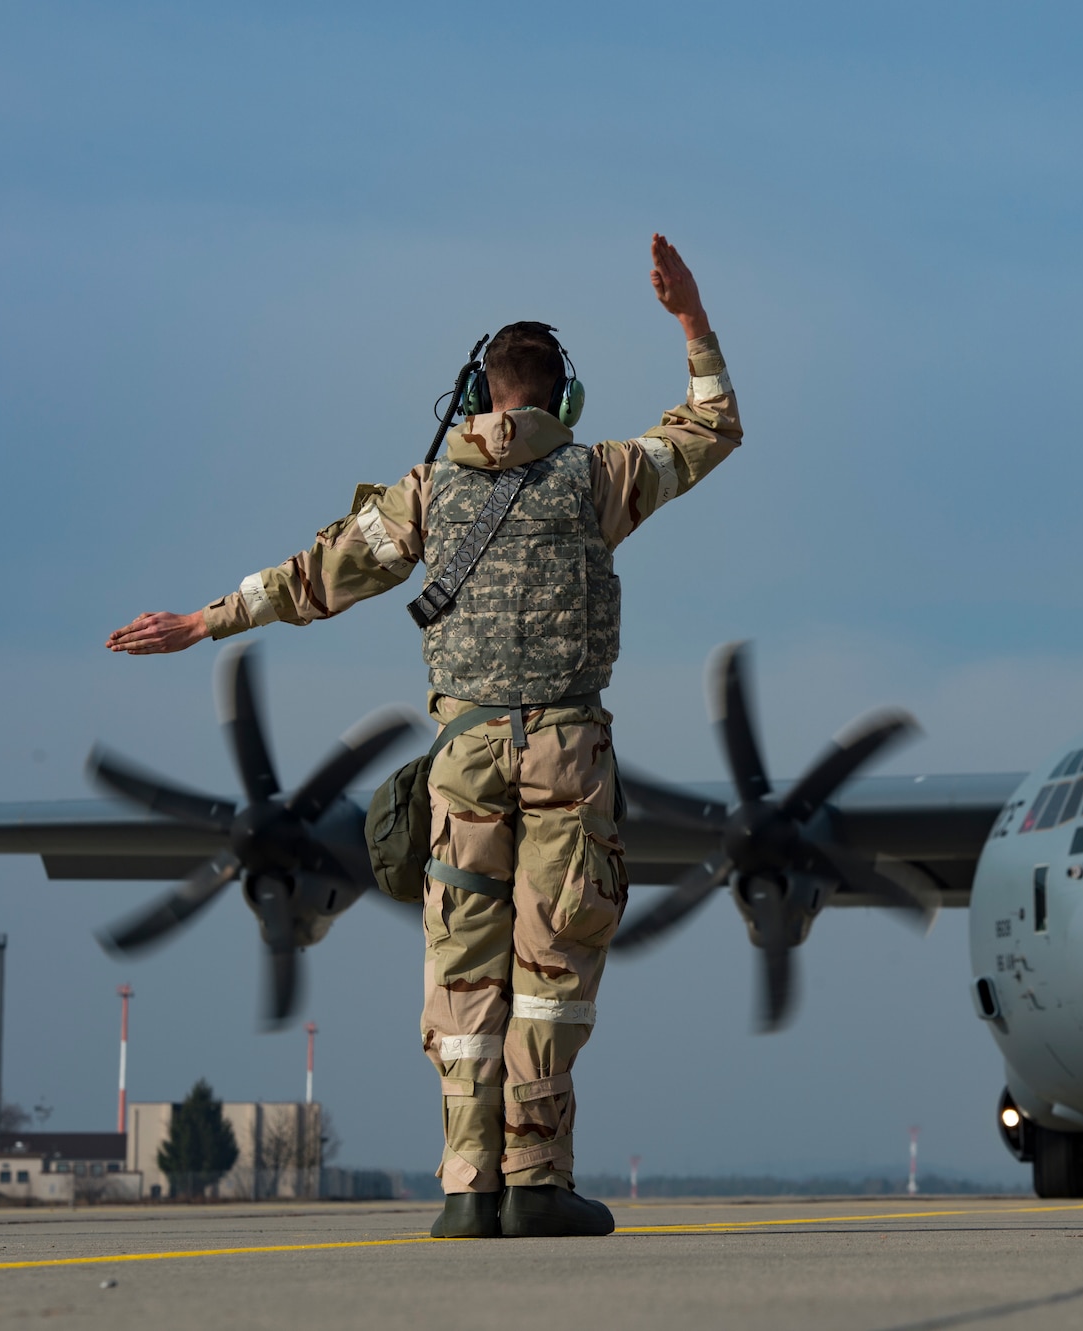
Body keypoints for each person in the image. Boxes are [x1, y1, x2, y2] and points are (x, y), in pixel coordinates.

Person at [106, 235, 741, 1239]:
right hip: (567, 754)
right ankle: (536, 1178)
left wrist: (202, 620)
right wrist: (691, 320)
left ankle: (465, 1185)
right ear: (561, 402)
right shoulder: (598, 477)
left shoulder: (427, 492)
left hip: (466, 756)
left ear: (478, 393)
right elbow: (711, 424)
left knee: (463, 961)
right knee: (552, 963)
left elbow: (312, 575)